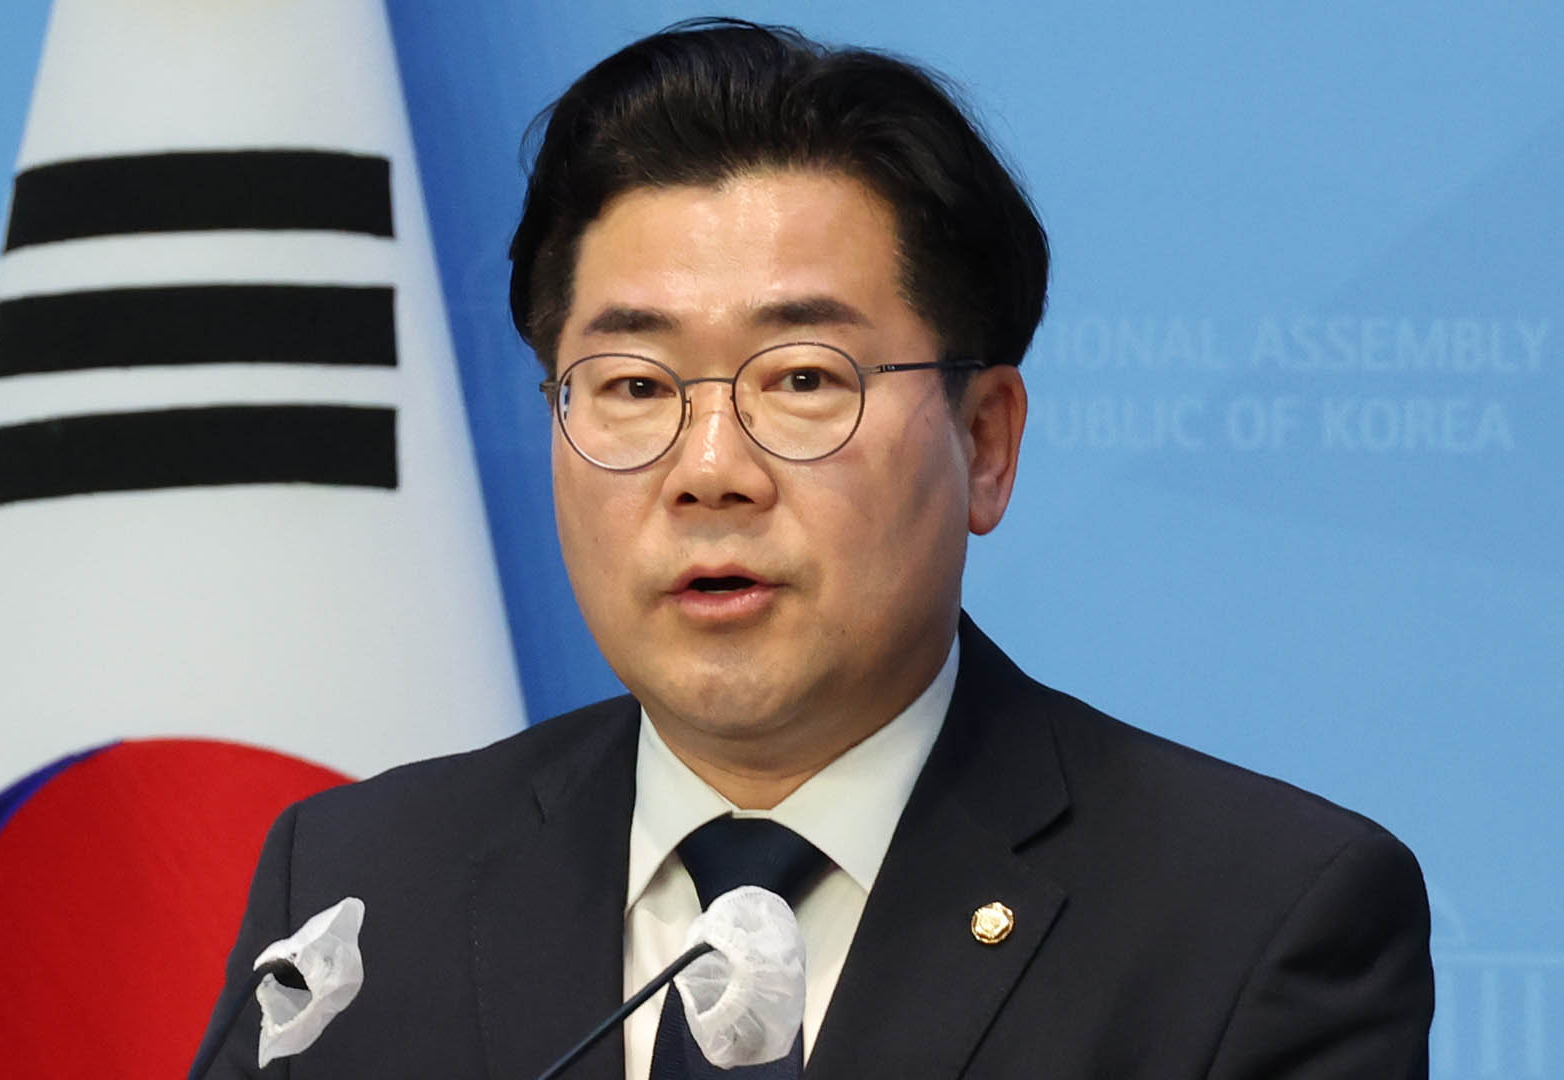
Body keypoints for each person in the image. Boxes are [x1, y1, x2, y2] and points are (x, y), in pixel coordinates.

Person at [196, 19, 1433, 1078]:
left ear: (984, 442)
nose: (709, 469)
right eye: (632, 385)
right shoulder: (364, 892)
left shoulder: (1251, 922)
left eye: (801, 378)